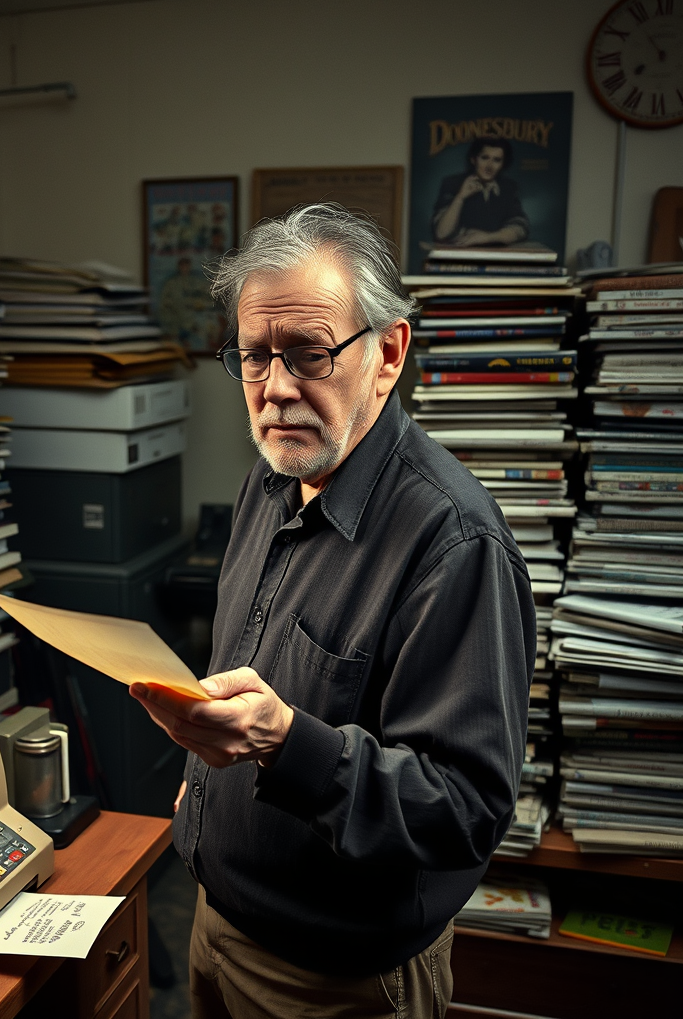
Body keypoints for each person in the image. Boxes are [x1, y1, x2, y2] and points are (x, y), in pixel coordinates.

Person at [129, 203, 533, 1019]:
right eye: (253, 357)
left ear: (387, 354)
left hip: (334, 984)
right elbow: (252, 677)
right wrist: (203, 796)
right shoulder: (269, 480)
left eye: (309, 353)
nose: (276, 389)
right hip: (214, 920)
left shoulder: (455, 544)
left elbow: (464, 812)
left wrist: (288, 742)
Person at [432, 137, 529, 247]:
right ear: (473, 159)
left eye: (497, 160)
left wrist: (487, 237)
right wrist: (460, 197)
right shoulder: (453, 183)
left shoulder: (508, 187)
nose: (489, 166)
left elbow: (521, 227)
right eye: (484, 158)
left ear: (503, 164)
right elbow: (441, 233)